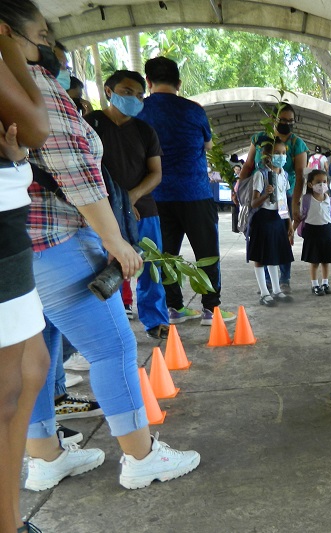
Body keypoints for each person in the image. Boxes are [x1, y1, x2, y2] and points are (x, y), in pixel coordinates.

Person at [8, 1, 200, 500]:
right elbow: (75, 170)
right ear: (8, 33)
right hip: (56, 240)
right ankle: (140, 457)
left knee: (38, 354)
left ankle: (46, 458)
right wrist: (115, 241)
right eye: (41, 34)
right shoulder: (29, 84)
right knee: (111, 347)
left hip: (13, 249)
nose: (48, 45)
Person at [137, 56, 234, 325]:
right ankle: (210, 310)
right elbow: (208, 146)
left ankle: (174, 307)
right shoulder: (193, 110)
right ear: (179, 83)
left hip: (156, 194)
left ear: (148, 81)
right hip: (195, 192)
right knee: (206, 251)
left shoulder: (139, 111)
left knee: (166, 254)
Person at [0, 12, 50, 531]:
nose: (43, 49)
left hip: (9, 221)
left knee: (31, 365)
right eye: (36, 38)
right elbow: (36, 127)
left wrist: (15, 165)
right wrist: (8, 46)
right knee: (8, 385)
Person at [85, 70, 169, 339]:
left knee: (150, 266)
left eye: (139, 94)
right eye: (126, 92)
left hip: (142, 209)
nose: (133, 98)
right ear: (109, 92)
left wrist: (129, 198)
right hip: (99, 212)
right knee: (102, 269)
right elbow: (83, 170)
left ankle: (156, 320)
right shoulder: (90, 125)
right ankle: (106, 325)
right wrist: (113, 206)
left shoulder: (145, 131)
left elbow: (155, 173)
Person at [239, 103, 307, 295]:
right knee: (263, 243)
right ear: (273, 118)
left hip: (285, 195)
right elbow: (248, 164)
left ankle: (283, 280)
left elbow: (300, 175)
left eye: (290, 121)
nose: (286, 123)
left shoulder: (297, 144)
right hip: (262, 199)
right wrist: (239, 187)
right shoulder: (260, 139)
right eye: (282, 120)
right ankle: (267, 285)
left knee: (283, 239)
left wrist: (294, 206)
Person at [247, 138, 294, 307]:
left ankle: (276, 290)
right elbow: (253, 203)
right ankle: (264, 292)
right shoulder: (261, 174)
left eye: (283, 153)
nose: (281, 156)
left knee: (274, 254)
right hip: (263, 219)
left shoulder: (283, 175)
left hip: (277, 218)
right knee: (261, 256)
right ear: (267, 155)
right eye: (277, 153)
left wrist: (288, 222)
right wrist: (266, 195)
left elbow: (282, 201)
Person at [298, 170, 331, 296]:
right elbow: (300, 217)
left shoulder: (330, 200)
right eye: (318, 182)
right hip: (312, 233)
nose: (322, 185)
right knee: (314, 261)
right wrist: (291, 232)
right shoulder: (306, 199)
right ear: (310, 184)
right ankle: (315, 284)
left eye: (324, 182)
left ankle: (325, 283)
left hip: (326, 232)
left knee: (326, 261)